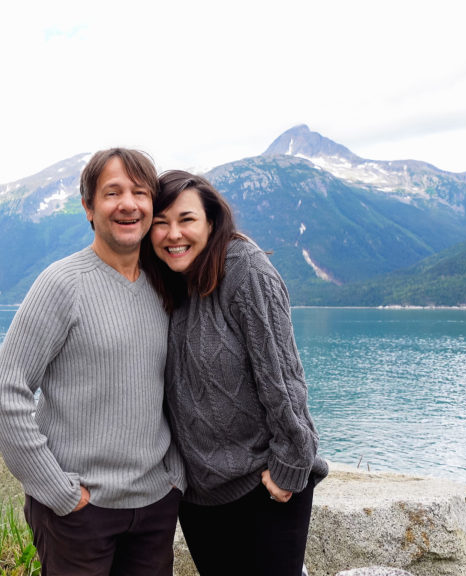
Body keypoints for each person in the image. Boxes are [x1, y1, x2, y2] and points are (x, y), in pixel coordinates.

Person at [0, 148, 186, 576]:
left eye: (139, 192)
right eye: (112, 192)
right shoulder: (62, 284)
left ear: (152, 205)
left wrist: (174, 477)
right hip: (79, 513)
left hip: (154, 506)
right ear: (89, 208)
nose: (128, 204)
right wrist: (58, 491)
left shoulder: (165, 285)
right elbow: (5, 393)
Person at [141, 170, 329, 576]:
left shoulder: (245, 271)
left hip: (263, 488)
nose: (173, 234)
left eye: (186, 219)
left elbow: (282, 377)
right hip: (201, 496)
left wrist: (291, 466)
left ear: (211, 220)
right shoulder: (169, 282)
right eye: (160, 223)